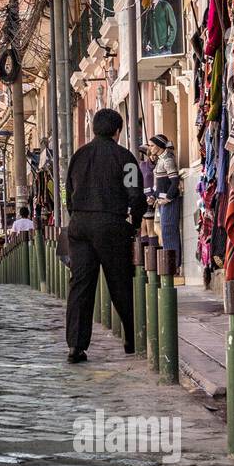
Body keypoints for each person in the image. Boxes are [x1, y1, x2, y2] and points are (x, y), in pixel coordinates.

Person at [64, 108, 148, 363]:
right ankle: (133, 338)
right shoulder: (125, 158)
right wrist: (133, 223)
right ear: (117, 131)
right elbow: (135, 194)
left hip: (79, 225)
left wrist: (77, 216)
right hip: (111, 224)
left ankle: (75, 347)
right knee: (120, 283)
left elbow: (68, 192)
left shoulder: (78, 156)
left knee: (80, 284)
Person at [150, 134, 183, 276]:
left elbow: (174, 181)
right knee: (165, 232)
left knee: (169, 232)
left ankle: (173, 266)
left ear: (159, 145)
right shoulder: (160, 160)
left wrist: (168, 198)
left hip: (170, 202)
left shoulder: (168, 159)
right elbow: (159, 184)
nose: (150, 148)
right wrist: (154, 196)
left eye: (152, 145)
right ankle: (171, 265)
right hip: (161, 202)